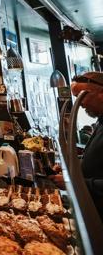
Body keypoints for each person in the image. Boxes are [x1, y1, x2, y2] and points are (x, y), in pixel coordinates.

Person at [49, 71, 103, 220]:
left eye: (84, 96)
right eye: (77, 98)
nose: (82, 104)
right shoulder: (100, 121)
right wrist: (73, 166)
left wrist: (74, 184)